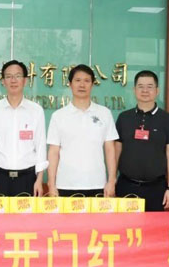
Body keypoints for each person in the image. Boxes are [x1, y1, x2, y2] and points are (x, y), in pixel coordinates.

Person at [46, 64, 118, 197]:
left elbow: (110, 149)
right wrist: (51, 183)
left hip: (97, 184)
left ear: (92, 85)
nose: (82, 85)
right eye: (77, 80)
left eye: (87, 81)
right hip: (66, 184)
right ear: (70, 84)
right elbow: (53, 152)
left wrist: (111, 180)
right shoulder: (58, 116)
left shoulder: (104, 113)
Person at [0, 60, 48, 197]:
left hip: (27, 178)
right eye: (9, 76)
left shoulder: (36, 111)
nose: (13, 80)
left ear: (25, 81)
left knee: (27, 212)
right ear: (3, 81)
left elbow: (40, 147)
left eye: (17, 76)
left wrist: (39, 180)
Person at [114, 70, 169, 212]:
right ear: (134, 90)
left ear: (157, 91)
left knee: (154, 226)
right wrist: (112, 180)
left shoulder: (167, 119)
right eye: (141, 86)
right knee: (126, 225)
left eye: (149, 86)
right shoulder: (124, 118)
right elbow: (117, 150)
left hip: (156, 188)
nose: (145, 90)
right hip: (126, 186)